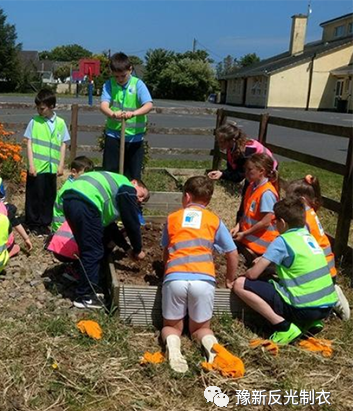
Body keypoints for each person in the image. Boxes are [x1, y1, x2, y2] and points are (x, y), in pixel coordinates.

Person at [233, 197, 339, 344]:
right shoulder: (309, 238)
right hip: (326, 307)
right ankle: (311, 323)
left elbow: (252, 275)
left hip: (304, 310)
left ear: (282, 223)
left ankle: (283, 326)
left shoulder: (282, 241)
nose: (273, 223)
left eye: (275, 220)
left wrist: (250, 270)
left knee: (240, 284)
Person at [160, 176, 238, 373]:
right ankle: (211, 348)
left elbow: (166, 251)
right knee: (200, 329)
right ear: (208, 200)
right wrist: (230, 279)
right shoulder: (214, 220)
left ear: (187, 197)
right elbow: (232, 252)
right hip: (203, 280)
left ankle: (173, 347)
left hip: (175, 278)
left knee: (172, 327)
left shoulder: (172, 218)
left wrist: (166, 272)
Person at [62, 171, 149, 309]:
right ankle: (85, 296)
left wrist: (127, 249)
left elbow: (110, 228)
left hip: (70, 200)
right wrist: (138, 249)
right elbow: (131, 223)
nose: (140, 200)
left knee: (88, 245)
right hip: (85, 202)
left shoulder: (112, 191)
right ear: (134, 182)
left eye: (143, 201)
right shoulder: (127, 188)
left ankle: (77, 272)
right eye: (142, 195)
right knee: (93, 250)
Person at [285, 175, 350, 321]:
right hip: (327, 269)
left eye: (289, 198)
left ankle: (333, 298)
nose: (286, 201)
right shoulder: (309, 212)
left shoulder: (302, 220)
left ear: (301, 200)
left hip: (321, 273)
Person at [100, 52, 153, 180]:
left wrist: (134, 113)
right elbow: (104, 105)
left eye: (123, 75)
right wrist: (113, 114)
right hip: (114, 135)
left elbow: (148, 105)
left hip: (134, 137)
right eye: (116, 76)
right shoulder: (109, 84)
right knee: (110, 174)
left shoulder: (138, 84)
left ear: (130, 69)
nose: (119, 79)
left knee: (133, 176)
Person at [24, 89, 70, 235]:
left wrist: (61, 164)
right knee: (34, 196)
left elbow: (63, 144)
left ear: (51, 106)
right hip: (37, 167)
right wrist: (31, 165)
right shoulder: (34, 122)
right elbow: (29, 143)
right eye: (37, 108)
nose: (39, 111)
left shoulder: (60, 123)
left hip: (52, 167)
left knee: (49, 196)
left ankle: (45, 222)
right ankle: (33, 223)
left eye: (42, 108)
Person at [231, 153, 279, 261]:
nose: (246, 173)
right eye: (246, 169)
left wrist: (244, 233)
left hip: (261, 247)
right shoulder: (252, 187)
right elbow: (247, 213)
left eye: (250, 170)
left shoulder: (266, 194)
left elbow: (265, 222)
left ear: (261, 171)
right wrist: (238, 226)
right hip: (248, 241)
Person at [207, 122, 277, 184]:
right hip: (255, 168)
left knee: (250, 186)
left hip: (267, 169)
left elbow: (239, 176)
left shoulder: (245, 152)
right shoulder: (231, 148)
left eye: (221, 141)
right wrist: (220, 173)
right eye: (218, 141)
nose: (219, 144)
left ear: (232, 140)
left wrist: (222, 175)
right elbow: (232, 169)